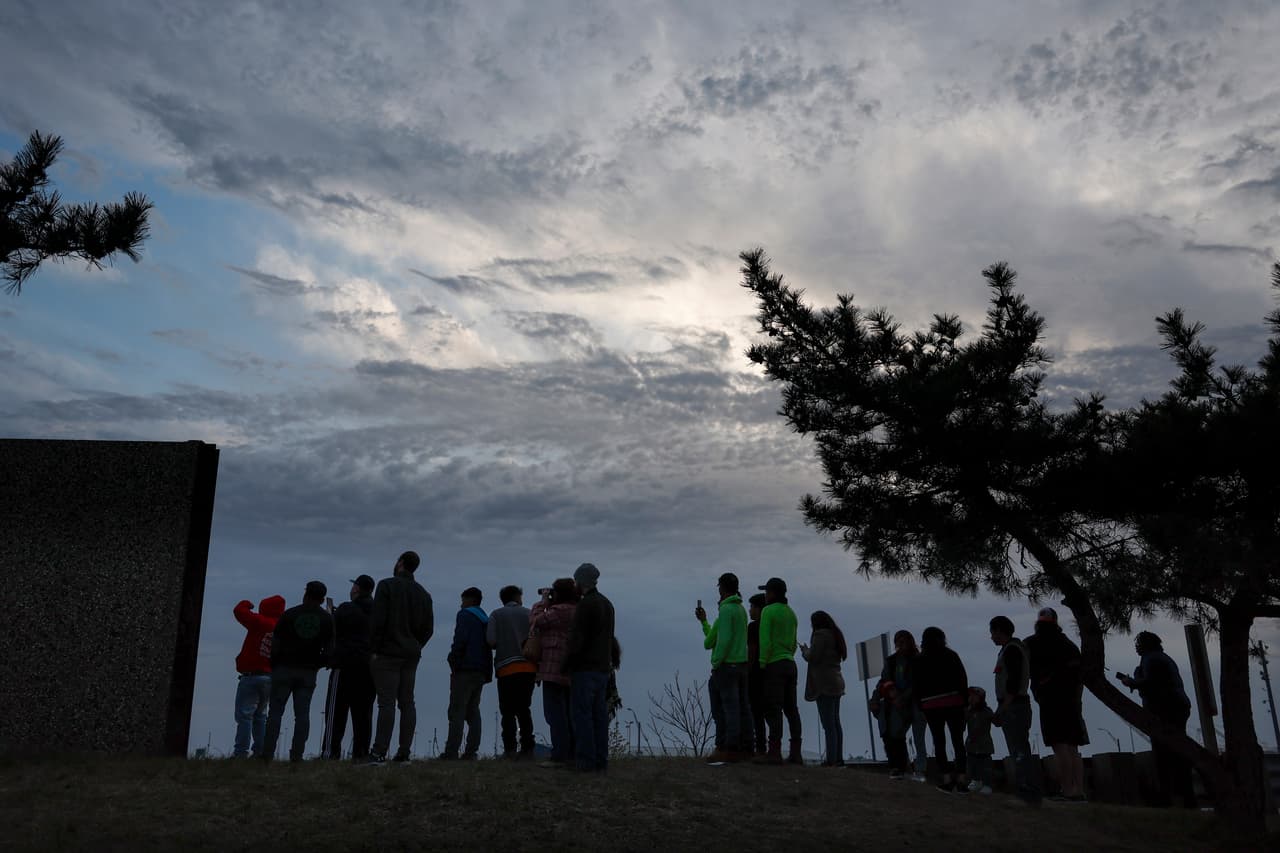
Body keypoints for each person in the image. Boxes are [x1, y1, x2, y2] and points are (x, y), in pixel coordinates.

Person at [369, 550, 434, 765]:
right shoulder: (424, 594)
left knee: (386, 703)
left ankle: (379, 751)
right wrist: (416, 645)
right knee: (407, 702)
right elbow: (428, 629)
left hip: (388, 653)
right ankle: (404, 751)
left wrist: (375, 649)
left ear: (400, 563)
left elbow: (378, 621)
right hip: (411, 654)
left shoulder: (386, 585)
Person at [1117, 631, 1196, 808]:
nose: (1136, 647)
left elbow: (1151, 682)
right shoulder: (1161, 657)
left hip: (1164, 710)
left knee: (1164, 753)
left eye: (1138, 644)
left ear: (1143, 645)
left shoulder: (1151, 659)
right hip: (1176, 706)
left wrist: (1132, 682)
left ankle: (1170, 797)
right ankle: (1183, 796)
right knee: (1176, 750)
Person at [261, 581, 334, 762]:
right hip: (308, 673)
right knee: (302, 715)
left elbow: (276, 642)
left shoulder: (289, 614)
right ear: (322, 598)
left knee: (275, 713)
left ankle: (267, 754)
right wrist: (318, 663)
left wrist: (275, 664)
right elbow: (330, 650)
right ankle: (297, 755)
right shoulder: (326, 619)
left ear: (305, 594)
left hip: (283, 669)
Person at [1025, 607, 1087, 802]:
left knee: (1060, 747)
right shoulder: (1068, 645)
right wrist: (1077, 698)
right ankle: (1078, 791)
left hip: (1051, 700)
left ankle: (1067, 791)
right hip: (1071, 700)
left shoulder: (1031, 644)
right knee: (1073, 748)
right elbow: (1079, 674)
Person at [563, 562, 616, 773]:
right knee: (599, 716)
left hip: (584, 668)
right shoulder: (607, 604)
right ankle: (601, 761)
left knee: (582, 715)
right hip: (603, 668)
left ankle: (585, 761)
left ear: (581, 581)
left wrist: (566, 664)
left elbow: (577, 639)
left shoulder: (586, 605)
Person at [695, 572, 752, 762]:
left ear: (722, 588)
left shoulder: (726, 611)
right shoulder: (741, 610)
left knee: (724, 709)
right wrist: (704, 622)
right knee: (742, 708)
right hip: (742, 666)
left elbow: (719, 641)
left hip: (726, 667)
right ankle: (745, 747)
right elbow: (714, 639)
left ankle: (727, 748)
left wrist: (716, 662)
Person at [990, 615, 1041, 805]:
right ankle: (1026, 790)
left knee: (1019, 750)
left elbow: (1012, 683)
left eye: (993, 632)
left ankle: (1027, 792)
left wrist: (1002, 708)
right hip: (1014, 705)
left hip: (1014, 706)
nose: (992, 637)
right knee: (1018, 749)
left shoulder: (1011, 650)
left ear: (999, 631)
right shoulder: (1012, 649)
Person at [530, 578, 579, 765]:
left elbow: (535, 622)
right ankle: (572, 752)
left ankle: (560, 754)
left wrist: (543, 602)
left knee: (554, 713)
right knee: (569, 712)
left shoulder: (558, 611)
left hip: (552, 667)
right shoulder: (578, 610)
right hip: (571, 667)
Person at [912, 626, 968, 792]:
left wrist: (920, 704)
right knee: (958, 741)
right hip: (953, 701)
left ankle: (945, 777)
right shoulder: (951, 656)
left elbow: (916, 685)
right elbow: (962, 679)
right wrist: (965, 702)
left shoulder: (919, 660)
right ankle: (962, 778)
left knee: (939, 741)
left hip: (931, 705)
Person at [754, 577, 802, 765]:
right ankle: (796, 753)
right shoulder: (791, 614)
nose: (765, 595)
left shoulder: (768, 611)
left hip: (774, 664)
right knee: (791, 709)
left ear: (772, 593)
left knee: (773, 708)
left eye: (766, 592)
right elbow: (793, 642)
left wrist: (762, 663)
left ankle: (774, 752)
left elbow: (764, 640)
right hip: (790, 663)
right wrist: (788, 655)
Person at [328, 574, 376, 760]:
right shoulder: (378, 610)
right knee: (364, 713)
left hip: (344, 664)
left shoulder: (346, 609)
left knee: (336, 712)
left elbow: (334, 628)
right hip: (369, 667)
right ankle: (361, 752)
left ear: (356, 588)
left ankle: (331, 752)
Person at [232, 594, 286, 758]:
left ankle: (241, 752)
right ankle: (260, 752)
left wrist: (246, 603)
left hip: (251, 676)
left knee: (245, 716)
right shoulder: (282, 628)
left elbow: (239, 611)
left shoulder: (260, 622)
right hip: (270, 678)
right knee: (261, 717)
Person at [442, 587, 491, 760]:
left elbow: (460, 639)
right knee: (473, 710)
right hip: (481, 671)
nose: (461, 605)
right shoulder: (485, 618)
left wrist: (453, 660)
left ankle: (451, 752)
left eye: (463, 600)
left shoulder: (465, 615)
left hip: (465, 669)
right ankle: (471, 752)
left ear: (470, 600)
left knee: (457, 711)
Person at [488, 584, 536, 759]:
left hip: (506, 669)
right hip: (528, 668)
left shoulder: (496, 615)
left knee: (507, 711)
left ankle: (509, 749)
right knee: (524, 709)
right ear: (518, 597)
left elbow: (491, 640)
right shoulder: (530, 613)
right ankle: (528, 748)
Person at [800, 610, 846, 766]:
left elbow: (813, 657)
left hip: (824, 684)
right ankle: (838, 758)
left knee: (828, 725)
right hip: (836, 681)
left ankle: (831, 760)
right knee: (835, 722)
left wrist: (805, 651)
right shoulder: (835, 635)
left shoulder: (820, 635)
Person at [746, 593, 768, 755]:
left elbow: (752, 651)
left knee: (756, 712)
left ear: (760, 609)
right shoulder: (769, 626)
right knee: (771, 713)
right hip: (770, 670)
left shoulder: (753, 627)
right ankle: (768, 747)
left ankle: (759, 746)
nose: (750, 610)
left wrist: (747, 668)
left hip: (755, 673)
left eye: (752, 607)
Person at [964, 686, 995, 794]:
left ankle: (987, 784)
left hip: (984, 744)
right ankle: (976, 782)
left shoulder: (987, 711)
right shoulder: (968, 711)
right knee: (972, 764)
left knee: (985, 765)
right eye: (970, 696)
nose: (971, 698)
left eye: (974, 696)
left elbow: (997, 721)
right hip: (971, 744)